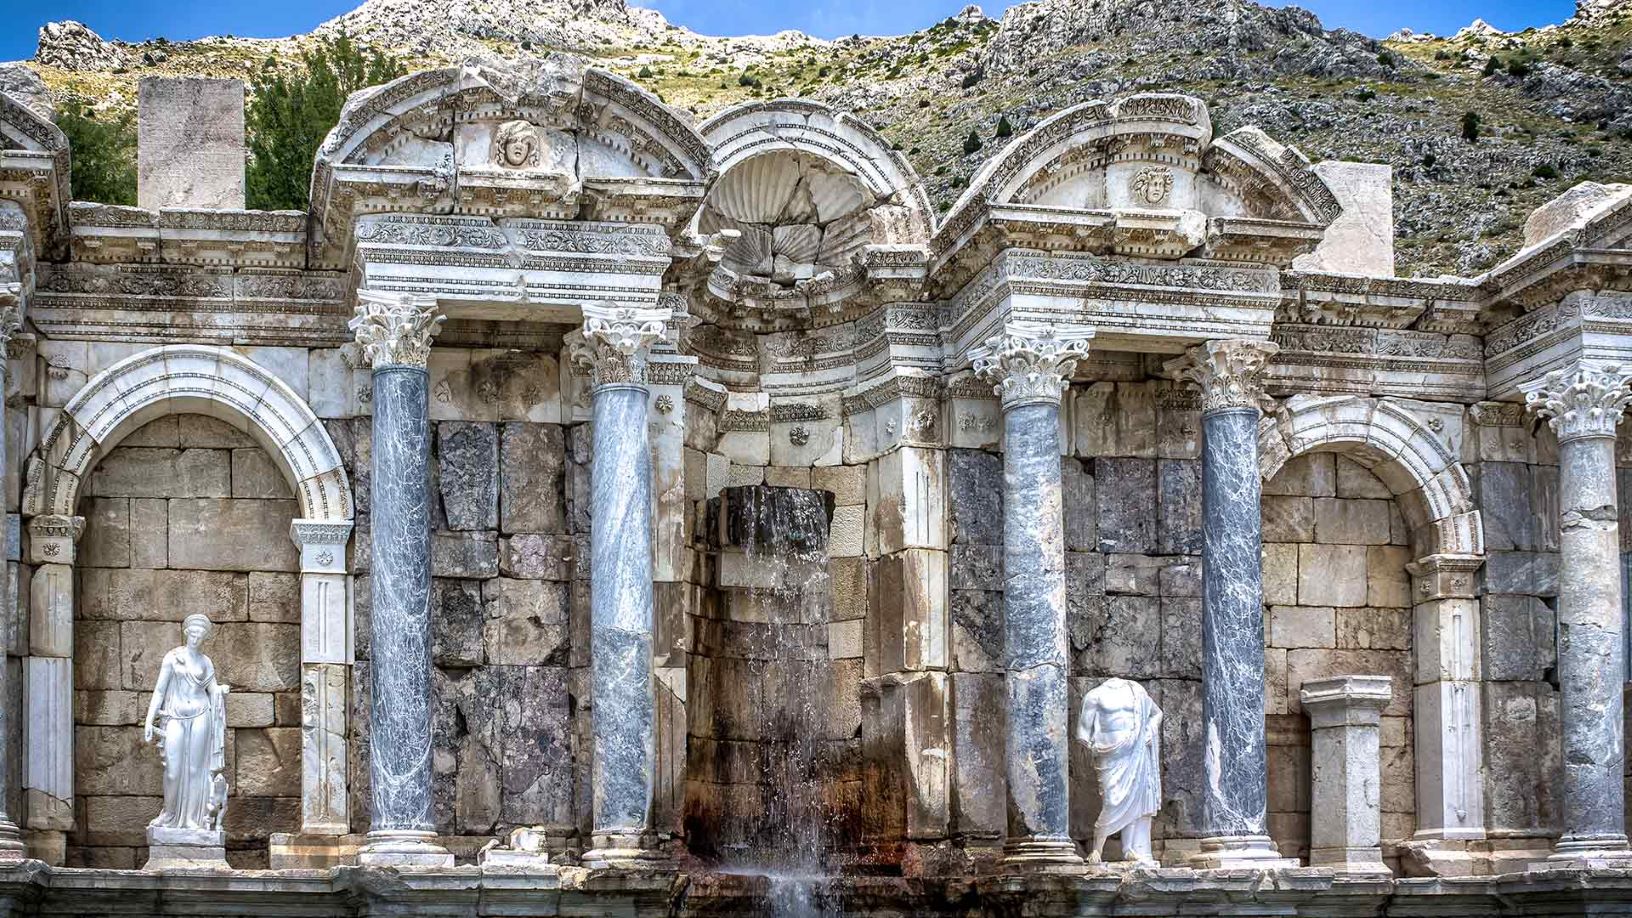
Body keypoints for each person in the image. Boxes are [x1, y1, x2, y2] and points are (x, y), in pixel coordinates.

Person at [143, 613, 229, 833]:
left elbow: (212, 691)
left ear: (205, 638)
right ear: (186, 632)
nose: (196, 637)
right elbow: (160, 690)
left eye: (201, 634)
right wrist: (149, 720)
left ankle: (192, 819)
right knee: (172, 769)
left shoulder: (205, 662)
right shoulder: (172, 657)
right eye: (193, 632)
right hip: (175, 716)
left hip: (201, 715)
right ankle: (170, 814)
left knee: (195, 770)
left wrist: (220, 691)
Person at [1076, 677, 1162, 865]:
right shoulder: (1095, 696)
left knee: (1133, 799)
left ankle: (1129, 849)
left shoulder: (1136, 691)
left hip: (1135, 752)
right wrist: (1094, 749)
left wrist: (1148, 731)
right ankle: (1097, 850)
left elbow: (1157, 713)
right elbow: (1082, 732)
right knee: (1112, 800)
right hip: (1109, 755)